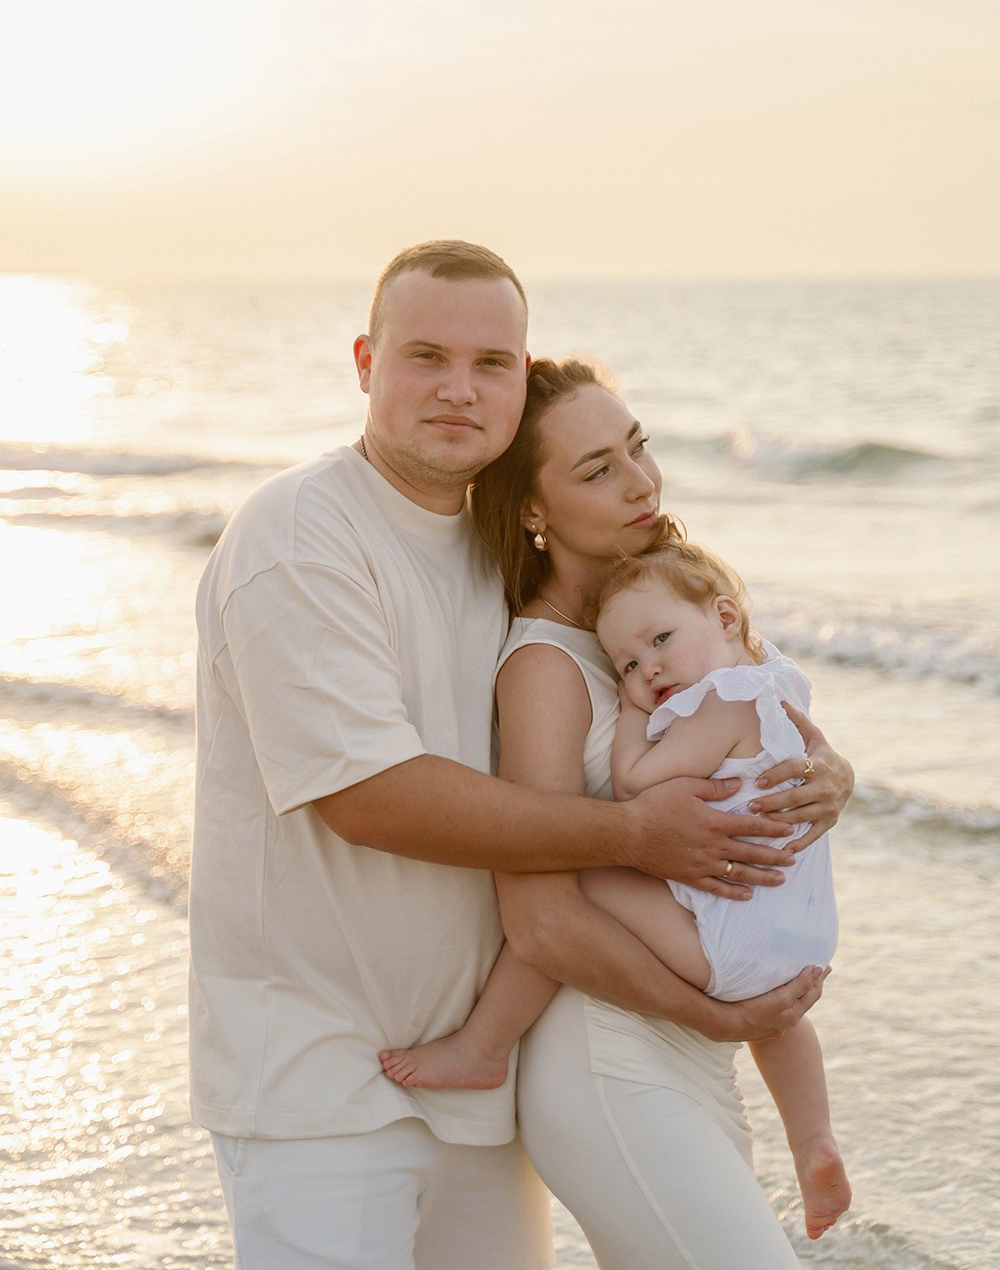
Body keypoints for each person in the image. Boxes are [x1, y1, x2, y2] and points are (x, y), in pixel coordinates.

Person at [190, 250, 851, 1270]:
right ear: (365, 362)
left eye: (490, 362)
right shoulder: (299, 535)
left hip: (473, 1084)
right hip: (320, 1072)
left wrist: (826, 778)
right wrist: (640, 837)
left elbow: (731, 703)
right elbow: (372, 799)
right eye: (425, 356)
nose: (459, 387)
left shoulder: (515, 569)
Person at [382, 354, 853, 1267]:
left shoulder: (659, 614)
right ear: (533, 510)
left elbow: (770, 718)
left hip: (698, 1049)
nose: (640, 483)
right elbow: (543, 916)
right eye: (597, 470)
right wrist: (717, 1016)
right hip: (611, 1052)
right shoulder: (547, 668)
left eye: (638, 449)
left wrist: (836, 777)